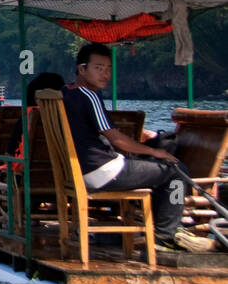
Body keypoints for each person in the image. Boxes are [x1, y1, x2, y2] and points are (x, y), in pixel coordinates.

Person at [61, 43, 212, 253]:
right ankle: (167, 233)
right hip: (102, 171)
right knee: (176, 171)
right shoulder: (89, 96)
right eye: (98, 68)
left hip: (79, 172)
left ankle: (157, 227)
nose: (105, 74)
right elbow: (116, 139)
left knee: (154, 168)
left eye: (108, 68)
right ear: (82, 68)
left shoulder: (65, 93)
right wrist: (154, 151)